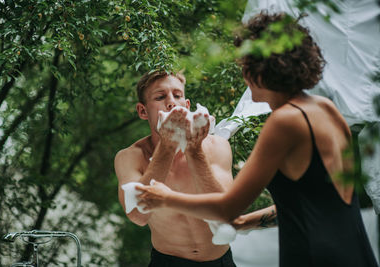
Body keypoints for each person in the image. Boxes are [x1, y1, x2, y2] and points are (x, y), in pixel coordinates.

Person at [137, 12, 379, 267]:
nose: (243, 75)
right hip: (356, 253)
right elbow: (323, 200)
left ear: (261, 68)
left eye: (245, 65)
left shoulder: (285, 121)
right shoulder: (327, 110)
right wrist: (246, 223)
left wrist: (164, 197)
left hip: (314, 256)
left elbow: (227, 207)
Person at [114, 70, 237, 266]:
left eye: (177, 95)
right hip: (166, 261)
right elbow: (138, 216)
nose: (171, 102)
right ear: (143, 111)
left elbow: (226, 214)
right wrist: (168, 145)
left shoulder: (216, 146)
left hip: (219, 260)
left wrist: (194, 151)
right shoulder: (130, 157)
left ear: (187, 105)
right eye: (160, 97)